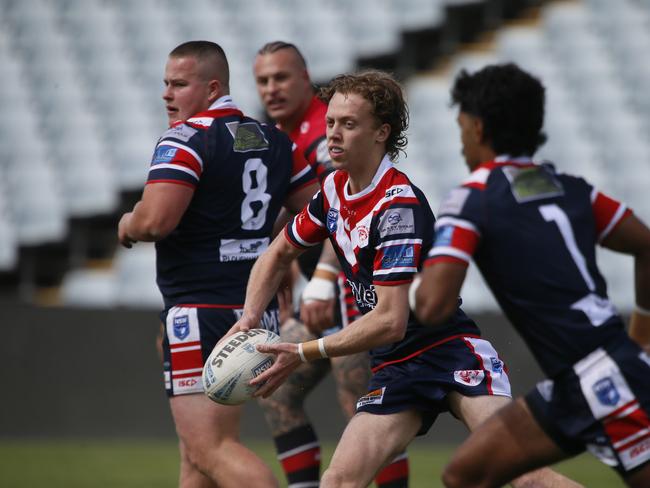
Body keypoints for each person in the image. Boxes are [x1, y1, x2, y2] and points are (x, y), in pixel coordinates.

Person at [227, 70, 578, 488]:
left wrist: (302, 351)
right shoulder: (334, 191)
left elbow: (390, 319)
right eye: (331, 122)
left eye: (349, 124)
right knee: (337, 482)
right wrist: (248, 320)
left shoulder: (398, 207)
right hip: (395, 366)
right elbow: (277, 252)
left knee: (523, 477)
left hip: (449, 352)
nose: (333, 135)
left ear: (381, 133)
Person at [410, 63, 650, 487]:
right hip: (578, 379)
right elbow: (645, 243)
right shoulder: (570, 187)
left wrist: (400, 283)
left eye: (462, 125)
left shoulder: (473, 198)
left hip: (603, 382)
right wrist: (641, 337)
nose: (461, 138)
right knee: (465, 475)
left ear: (478, 128)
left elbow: (433, 306)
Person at [117, 40, 318, 488]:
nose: (168, 95)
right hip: (253, 313)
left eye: (179, 84)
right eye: (165, 84)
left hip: (198, 312)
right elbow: (317, 214)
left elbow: (156, 222)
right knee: (197, 454)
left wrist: (128, 223)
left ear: (212, 88)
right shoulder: (277, 141)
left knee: (211, 450)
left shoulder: (185, 139)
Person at [253, 41, 409, 487]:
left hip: (355, 296)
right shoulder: (285, 136)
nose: (271, 89)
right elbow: (303, 220)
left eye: (281, 77)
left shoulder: (325, 137)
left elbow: (347, 209)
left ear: (306, 79)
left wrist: (321, 276)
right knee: (278, 390)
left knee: (363, 404)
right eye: (262, 80)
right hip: (321, 298)